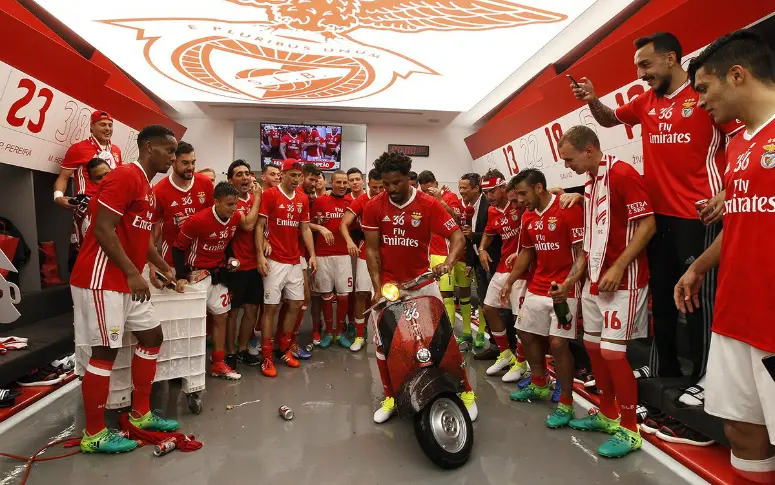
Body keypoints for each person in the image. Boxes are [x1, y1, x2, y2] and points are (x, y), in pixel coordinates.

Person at [570, 33, 743, 406]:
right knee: (662, 299)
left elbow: (742, 141)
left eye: (646, 65)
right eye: (637, 67)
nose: (640, 74)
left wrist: (728, 192)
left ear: (671, 58)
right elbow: (608, 118)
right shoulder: (644, 101)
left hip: (698, 217)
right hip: (657, 217)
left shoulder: (704, 98)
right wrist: (592, 100)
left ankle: (704, 375)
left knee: (696, 301)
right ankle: (665, 367)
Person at [675, 30, 775, 484]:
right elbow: (741, 223)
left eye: (703, 89)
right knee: (739, 428)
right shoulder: (736, 145)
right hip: (733, 318)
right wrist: (697, 267)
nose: (699, 103)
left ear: (737, 75)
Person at [70, 124, 179, 454]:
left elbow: (140, 237)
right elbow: (104, 229)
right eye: (169, 151)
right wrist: (134, 274)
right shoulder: (125, 176)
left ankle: (141, 412)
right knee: (104, 353)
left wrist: (162, 268)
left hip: (127, 280)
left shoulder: (147, 187)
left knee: (152, 337)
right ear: (148, 147)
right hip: (102, 279)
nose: (173, 158)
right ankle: (93, 434)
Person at [557, 125, 656, 458]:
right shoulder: (591, 181)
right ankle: (609, 415)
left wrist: (617, 267)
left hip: (623, 281)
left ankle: (630, 429)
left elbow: (648, 224)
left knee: (613, 354)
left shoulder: (623, 173)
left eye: (569, 159)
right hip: (595, 280)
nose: (567, 166)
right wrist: (574, 280)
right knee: (593, 348)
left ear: (588, 150)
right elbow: (591, 239)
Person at [362, 151, 477, 424]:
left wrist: (449, 263)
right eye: (386, 184)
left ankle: (466, 392)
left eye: (397, 183)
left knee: (443, 339)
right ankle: (390, 396)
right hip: (390, 285)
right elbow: (372, 251)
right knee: (385, 343)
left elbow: (457, 236)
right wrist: (378, 288)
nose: (391, 189)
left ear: (408, 179)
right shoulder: (374, 206)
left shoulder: (428, 204)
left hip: (423, 282)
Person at [499, 169, 586, 429]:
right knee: (524, 333)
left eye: (524, 193)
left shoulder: (567, 208)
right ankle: (538, 383)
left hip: (565, 288)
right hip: (538, 285)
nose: (521, 200)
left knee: (558, 344)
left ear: (539, 188)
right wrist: (510, 281)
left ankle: (566, 403)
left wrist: (569, 282)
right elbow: (526, 253)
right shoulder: (527, 216)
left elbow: (581, 253)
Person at [173, 181, 260, 379]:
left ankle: (218, 363)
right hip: (197, 275)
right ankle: (184, 367)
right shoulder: (198, 220)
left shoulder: (236, 216)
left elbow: (227, 240)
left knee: (221, 317)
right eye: (229, 204)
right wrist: (180, 277)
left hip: (219, 274)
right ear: (216, 202)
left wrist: (230, 258)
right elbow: (178, 247)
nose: (234, 208)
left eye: (236, 203)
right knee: (193, 322)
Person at [256, 159, 317, 377]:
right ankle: (266, 355)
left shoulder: (302, 198)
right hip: (274, 260)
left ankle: (284, 348)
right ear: (283, 175)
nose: (296, 179)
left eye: (299, 176)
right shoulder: (270, 195)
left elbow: (305, 229)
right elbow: (260, 225)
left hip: (294, 260)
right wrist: (260, 256)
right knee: (270, 308)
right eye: (292, 175)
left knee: (295, 303)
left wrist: (312, 255)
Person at [477, 173, 531, 383]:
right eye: (485, 192)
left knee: (520, 319)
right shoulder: (492, 211)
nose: (489, 196)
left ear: (502, 187)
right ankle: (505, 353)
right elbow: (489, 232)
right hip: (502, 266)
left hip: (523, 268)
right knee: (488, 308)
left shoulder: (518, 203)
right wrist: (482, 248)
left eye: (492, 191)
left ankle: (521, 361)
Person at [417, 170, 471, 345]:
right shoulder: (421, 202)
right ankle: (449, 336)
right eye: (424, 190)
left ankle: (468, 333)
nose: (427, 193)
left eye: (429, 189)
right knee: (445, 295)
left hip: (452, 252)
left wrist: (440, 200)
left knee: (464, 294)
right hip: (433, 253)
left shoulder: (450, 196)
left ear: (436, 183)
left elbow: (457, 221)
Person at [150, 141, 214, 279]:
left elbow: (214, 219)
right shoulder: (159, 190)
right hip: (171, 261)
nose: (191, 167)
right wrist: (152, 265)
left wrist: (193, 222)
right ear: (173, 162)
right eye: (185, 163)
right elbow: (153, 230)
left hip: (200, 260)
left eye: (193, 162)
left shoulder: (205, 184)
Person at [225, 160, 265, 368]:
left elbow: (263, 226)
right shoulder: (231, 202)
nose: (245, 177)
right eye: (239, 174)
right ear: (230, 180)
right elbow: (248, 224)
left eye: (247, 173)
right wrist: (258, 198)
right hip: (235, 265)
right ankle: (229, 352)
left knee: (252, 311)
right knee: (232, 311)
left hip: (254, 265)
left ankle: (242, 349)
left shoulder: (255, 199)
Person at [340, 168, 384, 352]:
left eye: (382, 187)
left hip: (389, 253)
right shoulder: (362, 200)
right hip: (366, 253)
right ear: (368, 184)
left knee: (386, 297)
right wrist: (350, 241)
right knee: (361, 294)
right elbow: (343, 224)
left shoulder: (391, 198)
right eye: (375, 187)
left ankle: (384, 335)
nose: (379, 191)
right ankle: (360, 335)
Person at [310, 170, 353, 348]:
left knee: (343, 296)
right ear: (331, 182)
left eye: (345, 183)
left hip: (344, 255)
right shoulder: (320, 201)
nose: (342, 186)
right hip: (323, 255)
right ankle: (328, 332)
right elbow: (307, 224)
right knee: (326, 295)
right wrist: (321, 228)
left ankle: (340, 332)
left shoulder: (352, 202)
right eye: (339, 182)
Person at [459, 172, 499, 353]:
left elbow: (494, 235)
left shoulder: (487, 206)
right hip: (477, 263)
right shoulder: (469, 208)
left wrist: (474, 236)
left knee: (495, 305)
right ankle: (494, 344)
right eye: (459, 188)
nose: (461, 191)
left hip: (492, 261)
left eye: (464, 188)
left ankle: (501, 346)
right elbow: (469, 237)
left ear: (476, 188)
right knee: (484, 302)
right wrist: (469, 262)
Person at [55, 110, 123, 208]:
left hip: (111, 204)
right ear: (92, 126)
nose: (107, 129)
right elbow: (63, 177)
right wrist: (58, 197)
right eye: (103, 125)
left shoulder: (116, 150)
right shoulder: (78, 148)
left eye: (110, 125)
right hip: (87, 203)